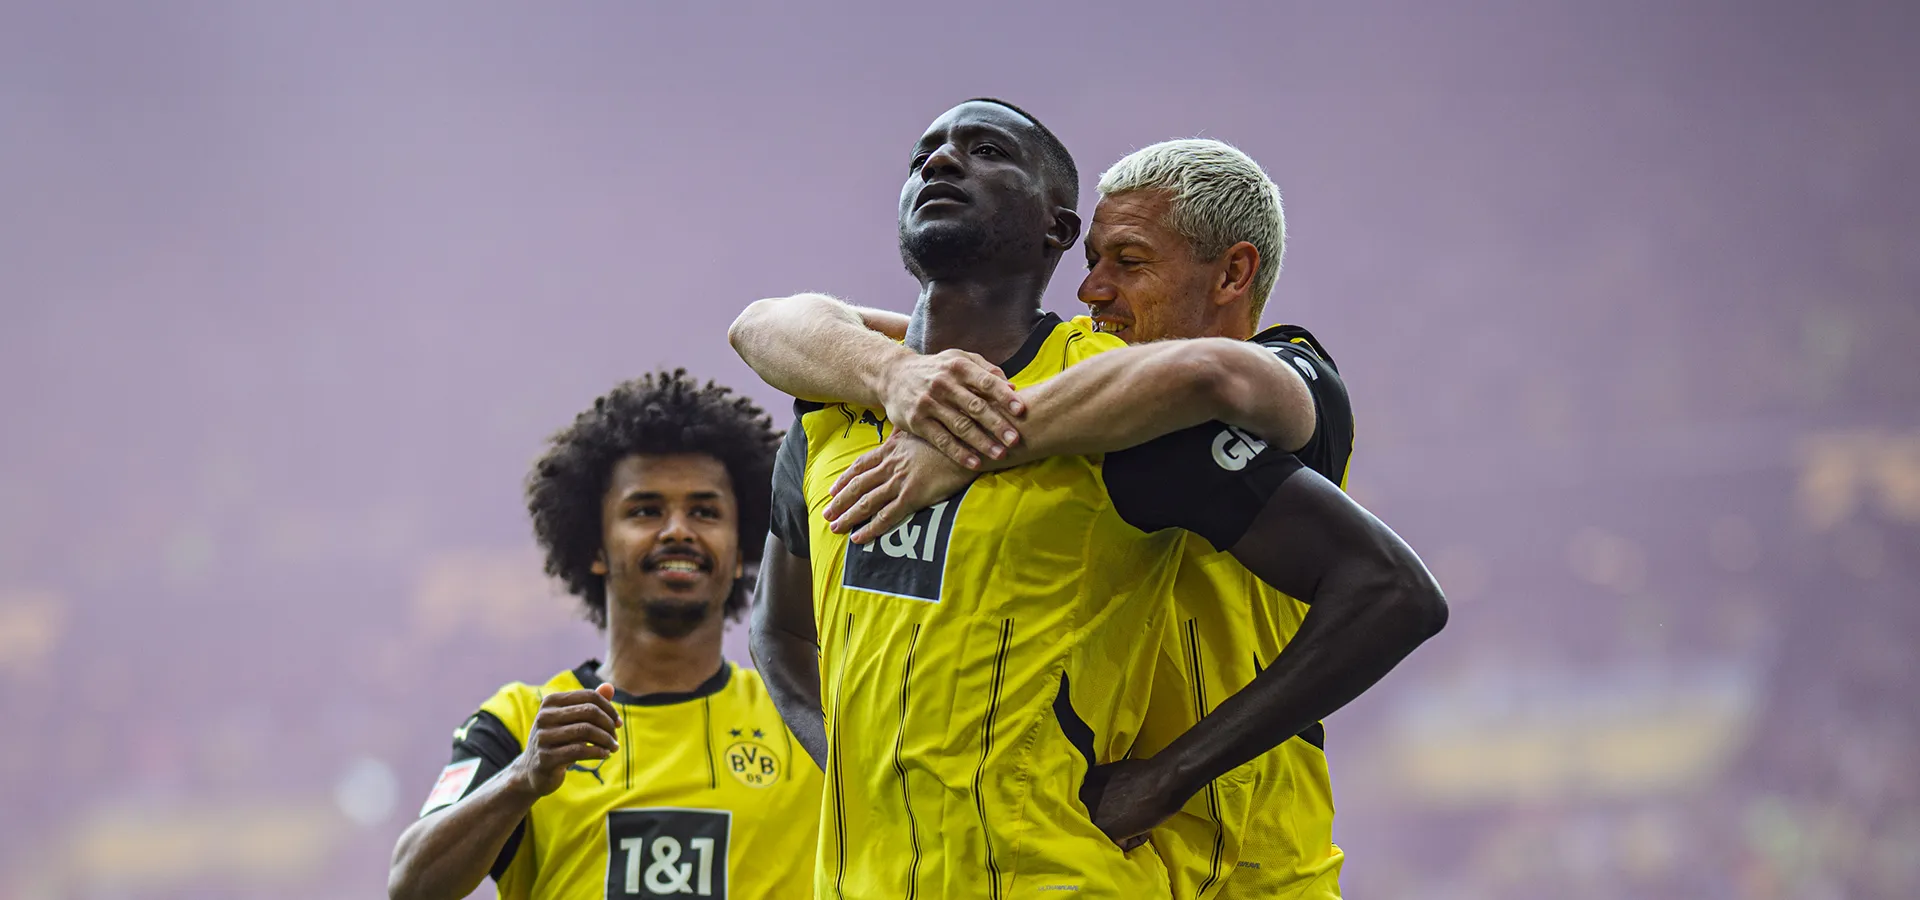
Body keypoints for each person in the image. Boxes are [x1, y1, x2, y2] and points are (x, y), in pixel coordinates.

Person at [735, 99, 1444, 900]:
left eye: (1129, 261)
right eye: (1095, 261)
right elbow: (772, 325)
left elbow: (1208, 375)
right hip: (1108, 852)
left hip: (1251, 866)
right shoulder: (1044, 395)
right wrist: (906, 377)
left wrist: (974, 440)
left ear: (1233, 274)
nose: (1094, 289)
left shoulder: (1270, 383)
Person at [388, 371, 821, 900]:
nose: (678, 530)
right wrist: (522, 777)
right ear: (595, 547)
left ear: (740, 550)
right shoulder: (522, 723)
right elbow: (410, 886)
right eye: (646, 510)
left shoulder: (805, 714)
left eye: (705, 511)